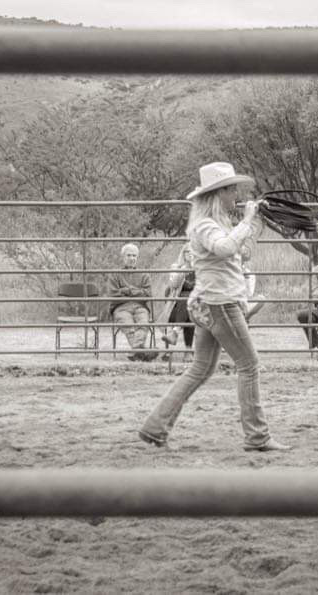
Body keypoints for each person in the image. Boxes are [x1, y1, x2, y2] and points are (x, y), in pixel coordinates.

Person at [139, 161, 291, 452]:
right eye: (231, 188)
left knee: (201, 368)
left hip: (214, 301)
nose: (236, 193)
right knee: (249, 365)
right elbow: (224, 248)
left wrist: (254, 224)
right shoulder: (205, 225)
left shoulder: (217, 223)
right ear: (217, 193)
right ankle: (257, 436)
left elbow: (239, 253)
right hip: (221, 303)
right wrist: (246, 221)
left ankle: (155, 427)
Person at [107, 243, 158, 362]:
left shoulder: (144, 275)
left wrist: (127, 290)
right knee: (129, 326)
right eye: (129, 255)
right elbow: (114, 294)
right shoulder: (115, 275)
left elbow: (147, 294)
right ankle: (143, 353)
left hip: (140, 306)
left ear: (137, 257)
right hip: (121, 307)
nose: (132, 258)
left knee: (143, 324)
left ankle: (136, 352)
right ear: (123, 257)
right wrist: (137, 292)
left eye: (134, 256)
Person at [163, 243, 196, 352]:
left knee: (188, 302)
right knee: (187, 305)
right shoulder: (176, 267)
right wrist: (184, 270)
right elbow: (173, 285)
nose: (190, 254)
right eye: (187, 251)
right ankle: (188, 351)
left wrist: (196, 268)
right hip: (176, 309)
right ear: (183, 253)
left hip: (198, 306)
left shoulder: (201, 268)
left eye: (192, 251)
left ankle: (175, 332)